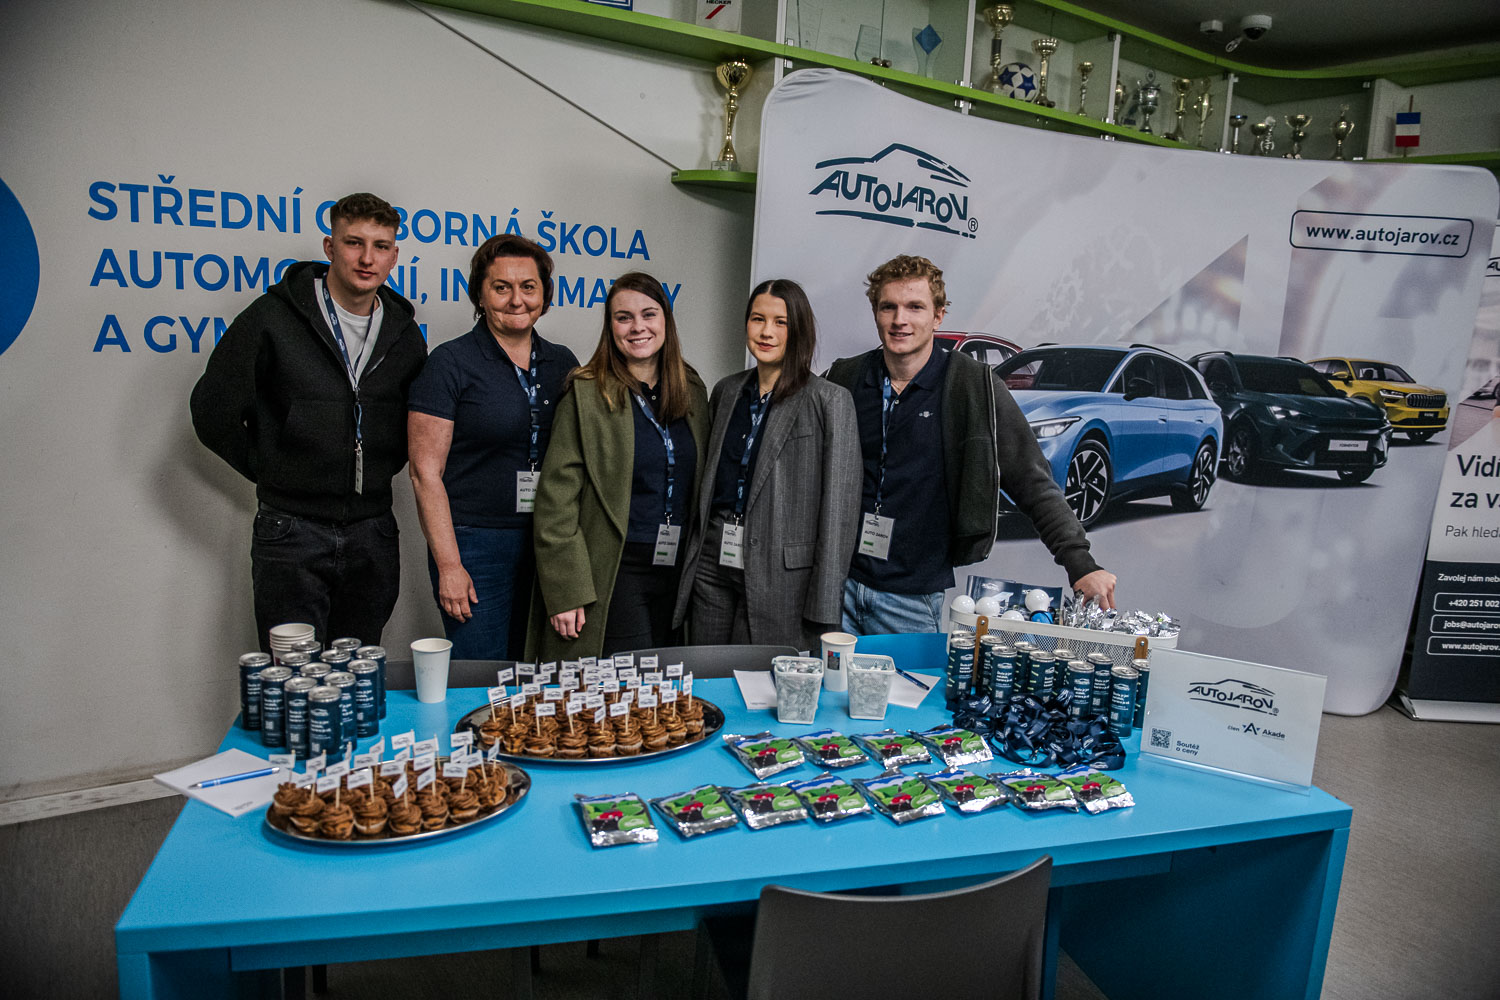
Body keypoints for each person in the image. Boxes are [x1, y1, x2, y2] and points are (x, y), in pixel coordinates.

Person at [826, 254, 1116, 635]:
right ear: (875, 313)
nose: (900, 320)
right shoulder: (845, 378)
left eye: (915, 307)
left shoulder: (974, 387)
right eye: (888, 307)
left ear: (938, 315)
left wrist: (1081, 563)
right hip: (838, 589)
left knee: (909, 678)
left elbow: (1032, 481)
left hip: (910, 601)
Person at [190, 192, 428, 649]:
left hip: (373, 530)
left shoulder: (404, 334)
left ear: (394, 256)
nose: (367, 258)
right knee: (292, 677)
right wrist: (274, 469)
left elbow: (415, 426)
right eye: (354, 243)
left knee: (358, 676)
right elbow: (212, 411)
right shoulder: (272, 317)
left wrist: (378, 467)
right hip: (292, 531)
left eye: (380, 246)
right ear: (329, 247)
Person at [407, 235, 579, 659]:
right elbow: (424, 473)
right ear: (480, 295)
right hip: (475, 545)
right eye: (501, 287)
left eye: (528, 287)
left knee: (541, 671)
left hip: (548, 540)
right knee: (482, 675)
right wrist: (450, 566)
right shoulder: (450, 363)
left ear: (545, 295)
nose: (516, 299)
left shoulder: (562, 363)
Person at [673, 279, 862, 651]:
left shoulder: (829, 400)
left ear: (799, 330)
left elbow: (839, 511)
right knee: (707, 671)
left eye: (781, 322)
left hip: (782, 575)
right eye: (758, 319)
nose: (766, 332)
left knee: (759, 679)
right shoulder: (726, 391)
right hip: (714, 559)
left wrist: (825, 604)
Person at [529, 272, 709, 659]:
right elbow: (555, 502)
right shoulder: (586, 393)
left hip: (678, 572)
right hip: (616, 569)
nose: (637, 327)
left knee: (667, 685)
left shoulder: (692, 390)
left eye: (648, 314)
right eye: (623, 317)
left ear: (666, 321)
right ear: (610, 327)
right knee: (633, 680)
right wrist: (566, 589)